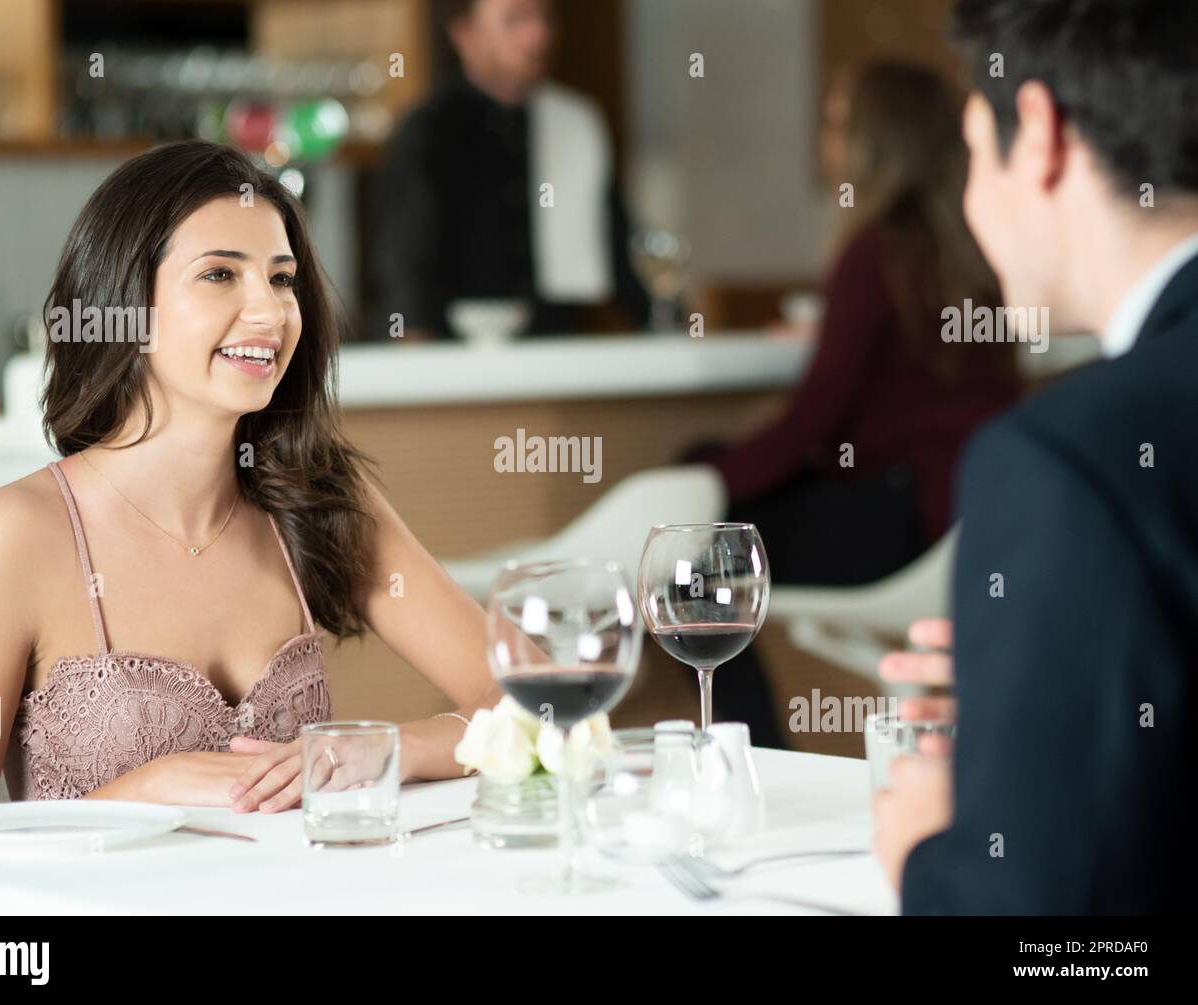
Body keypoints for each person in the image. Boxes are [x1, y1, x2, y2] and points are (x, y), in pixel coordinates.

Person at [0, 141, 503, 829]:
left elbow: (534, 700)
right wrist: (148, 788)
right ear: (124, 305)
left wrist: (383, 748)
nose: (270, 313)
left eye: (282, 279)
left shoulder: (316, 496)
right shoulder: (19, 533)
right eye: (220, 274)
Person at [874, 0, 1198, 914]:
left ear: (1042, 134)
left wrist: (931, 852)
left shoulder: (1065, 458)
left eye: (975, 150)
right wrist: (1046, 701)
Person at [690, 63, 1020, 748]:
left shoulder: (875, 255)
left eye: (840, 124)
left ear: (876, 143)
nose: (827, 139)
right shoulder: (976, 253)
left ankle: (751, 759)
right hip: (964, 521)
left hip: (891, 524)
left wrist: (701, 479)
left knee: (700, 560)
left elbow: (811, 427)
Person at [374, 0, 650, 340]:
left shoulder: (576, 123)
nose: (539, 35)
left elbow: (617, 248)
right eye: (515, 19)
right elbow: (407, 261)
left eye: (545, 17)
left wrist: (665, 325)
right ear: (465, 35)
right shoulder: (429, 130)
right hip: (456, 354)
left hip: (557, 346)